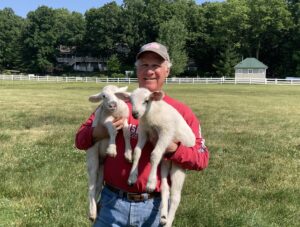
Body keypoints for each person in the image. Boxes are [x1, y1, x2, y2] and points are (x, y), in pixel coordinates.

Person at [75, 42, 209, 227]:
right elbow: (80, 140)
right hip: (112, 202)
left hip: (153, 207)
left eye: (156, 66)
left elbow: (201, 158)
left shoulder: (180, 112)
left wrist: (171, 148)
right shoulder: (118, 105)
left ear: (167, 71)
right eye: (144, 65)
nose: (150, 71)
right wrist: (101, 131)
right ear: (137, 71)